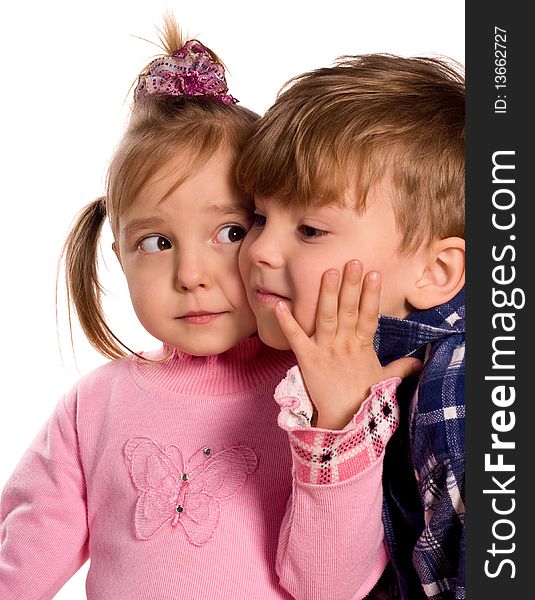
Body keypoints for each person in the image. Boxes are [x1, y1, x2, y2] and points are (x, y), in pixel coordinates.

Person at [0, 17, 420, 600]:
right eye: (156, 242)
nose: (192, 276)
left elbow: (333, 586)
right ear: (118, 255)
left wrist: (341, 421)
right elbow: (17, 570)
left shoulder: (321, 391)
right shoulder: (93, 406)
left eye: (229, 231)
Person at [236, 52, 465, 600]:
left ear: (434, 272)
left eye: (311, 229)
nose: (260, 249)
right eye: (259, 217)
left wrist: (346, 418)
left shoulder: (456, 382)